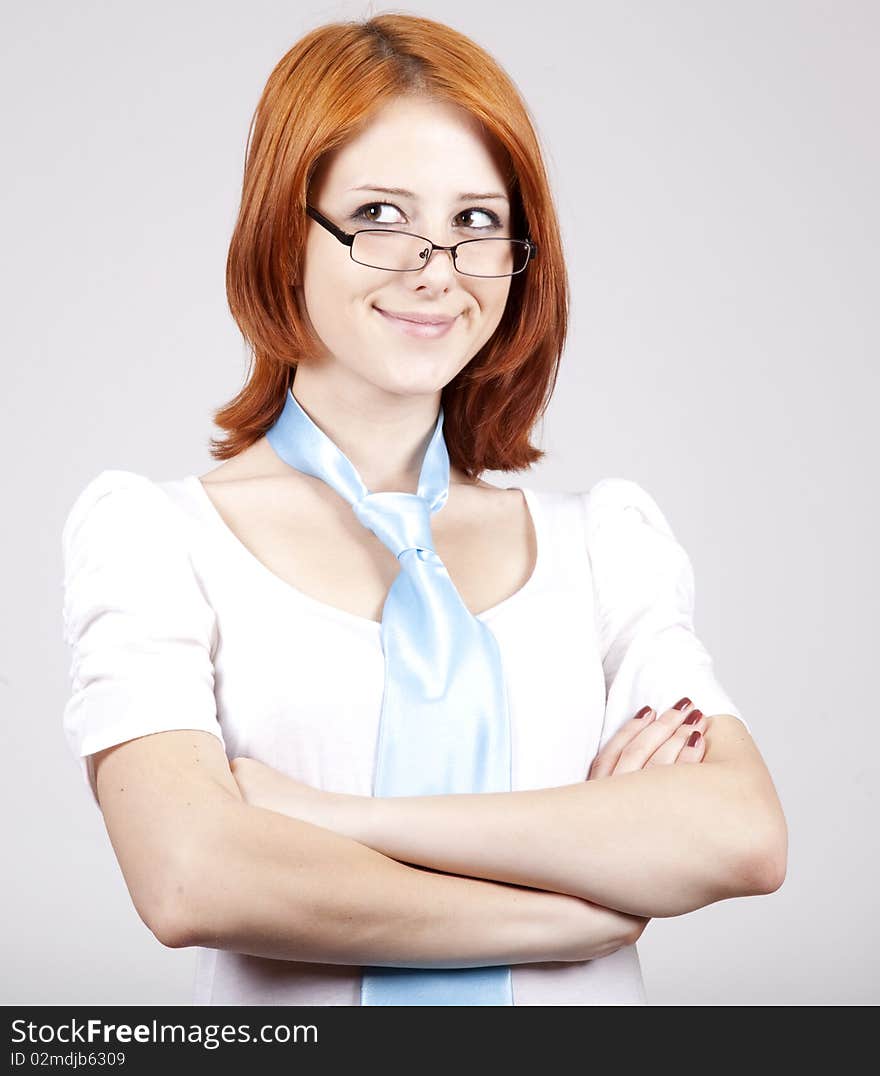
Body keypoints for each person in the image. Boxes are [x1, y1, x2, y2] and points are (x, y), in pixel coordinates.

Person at [60, 14, 787, 1006]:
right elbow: (191, 875)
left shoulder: (604, 543)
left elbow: (741, 833)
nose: (434, 266)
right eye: (380, 215)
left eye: (477, 221)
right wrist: (580, 902)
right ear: (286, 237)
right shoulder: (157, 537)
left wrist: (327, 817)